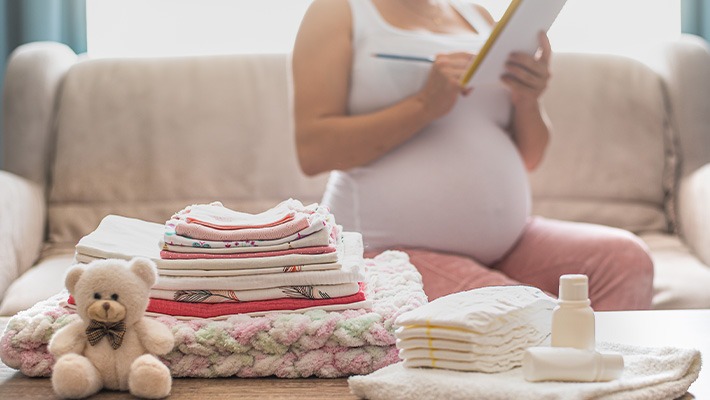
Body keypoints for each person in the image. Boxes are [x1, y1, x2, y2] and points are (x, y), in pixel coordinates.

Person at [292, 0, 654, 310]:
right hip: (389, 251)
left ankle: (605, 384)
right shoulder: (340, 11)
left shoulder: (479, 17)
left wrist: (528, 99)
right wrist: (422, 105)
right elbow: (313, 152)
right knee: (523, 312)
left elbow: (530, 157)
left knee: (625, 261)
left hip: (508, 241)